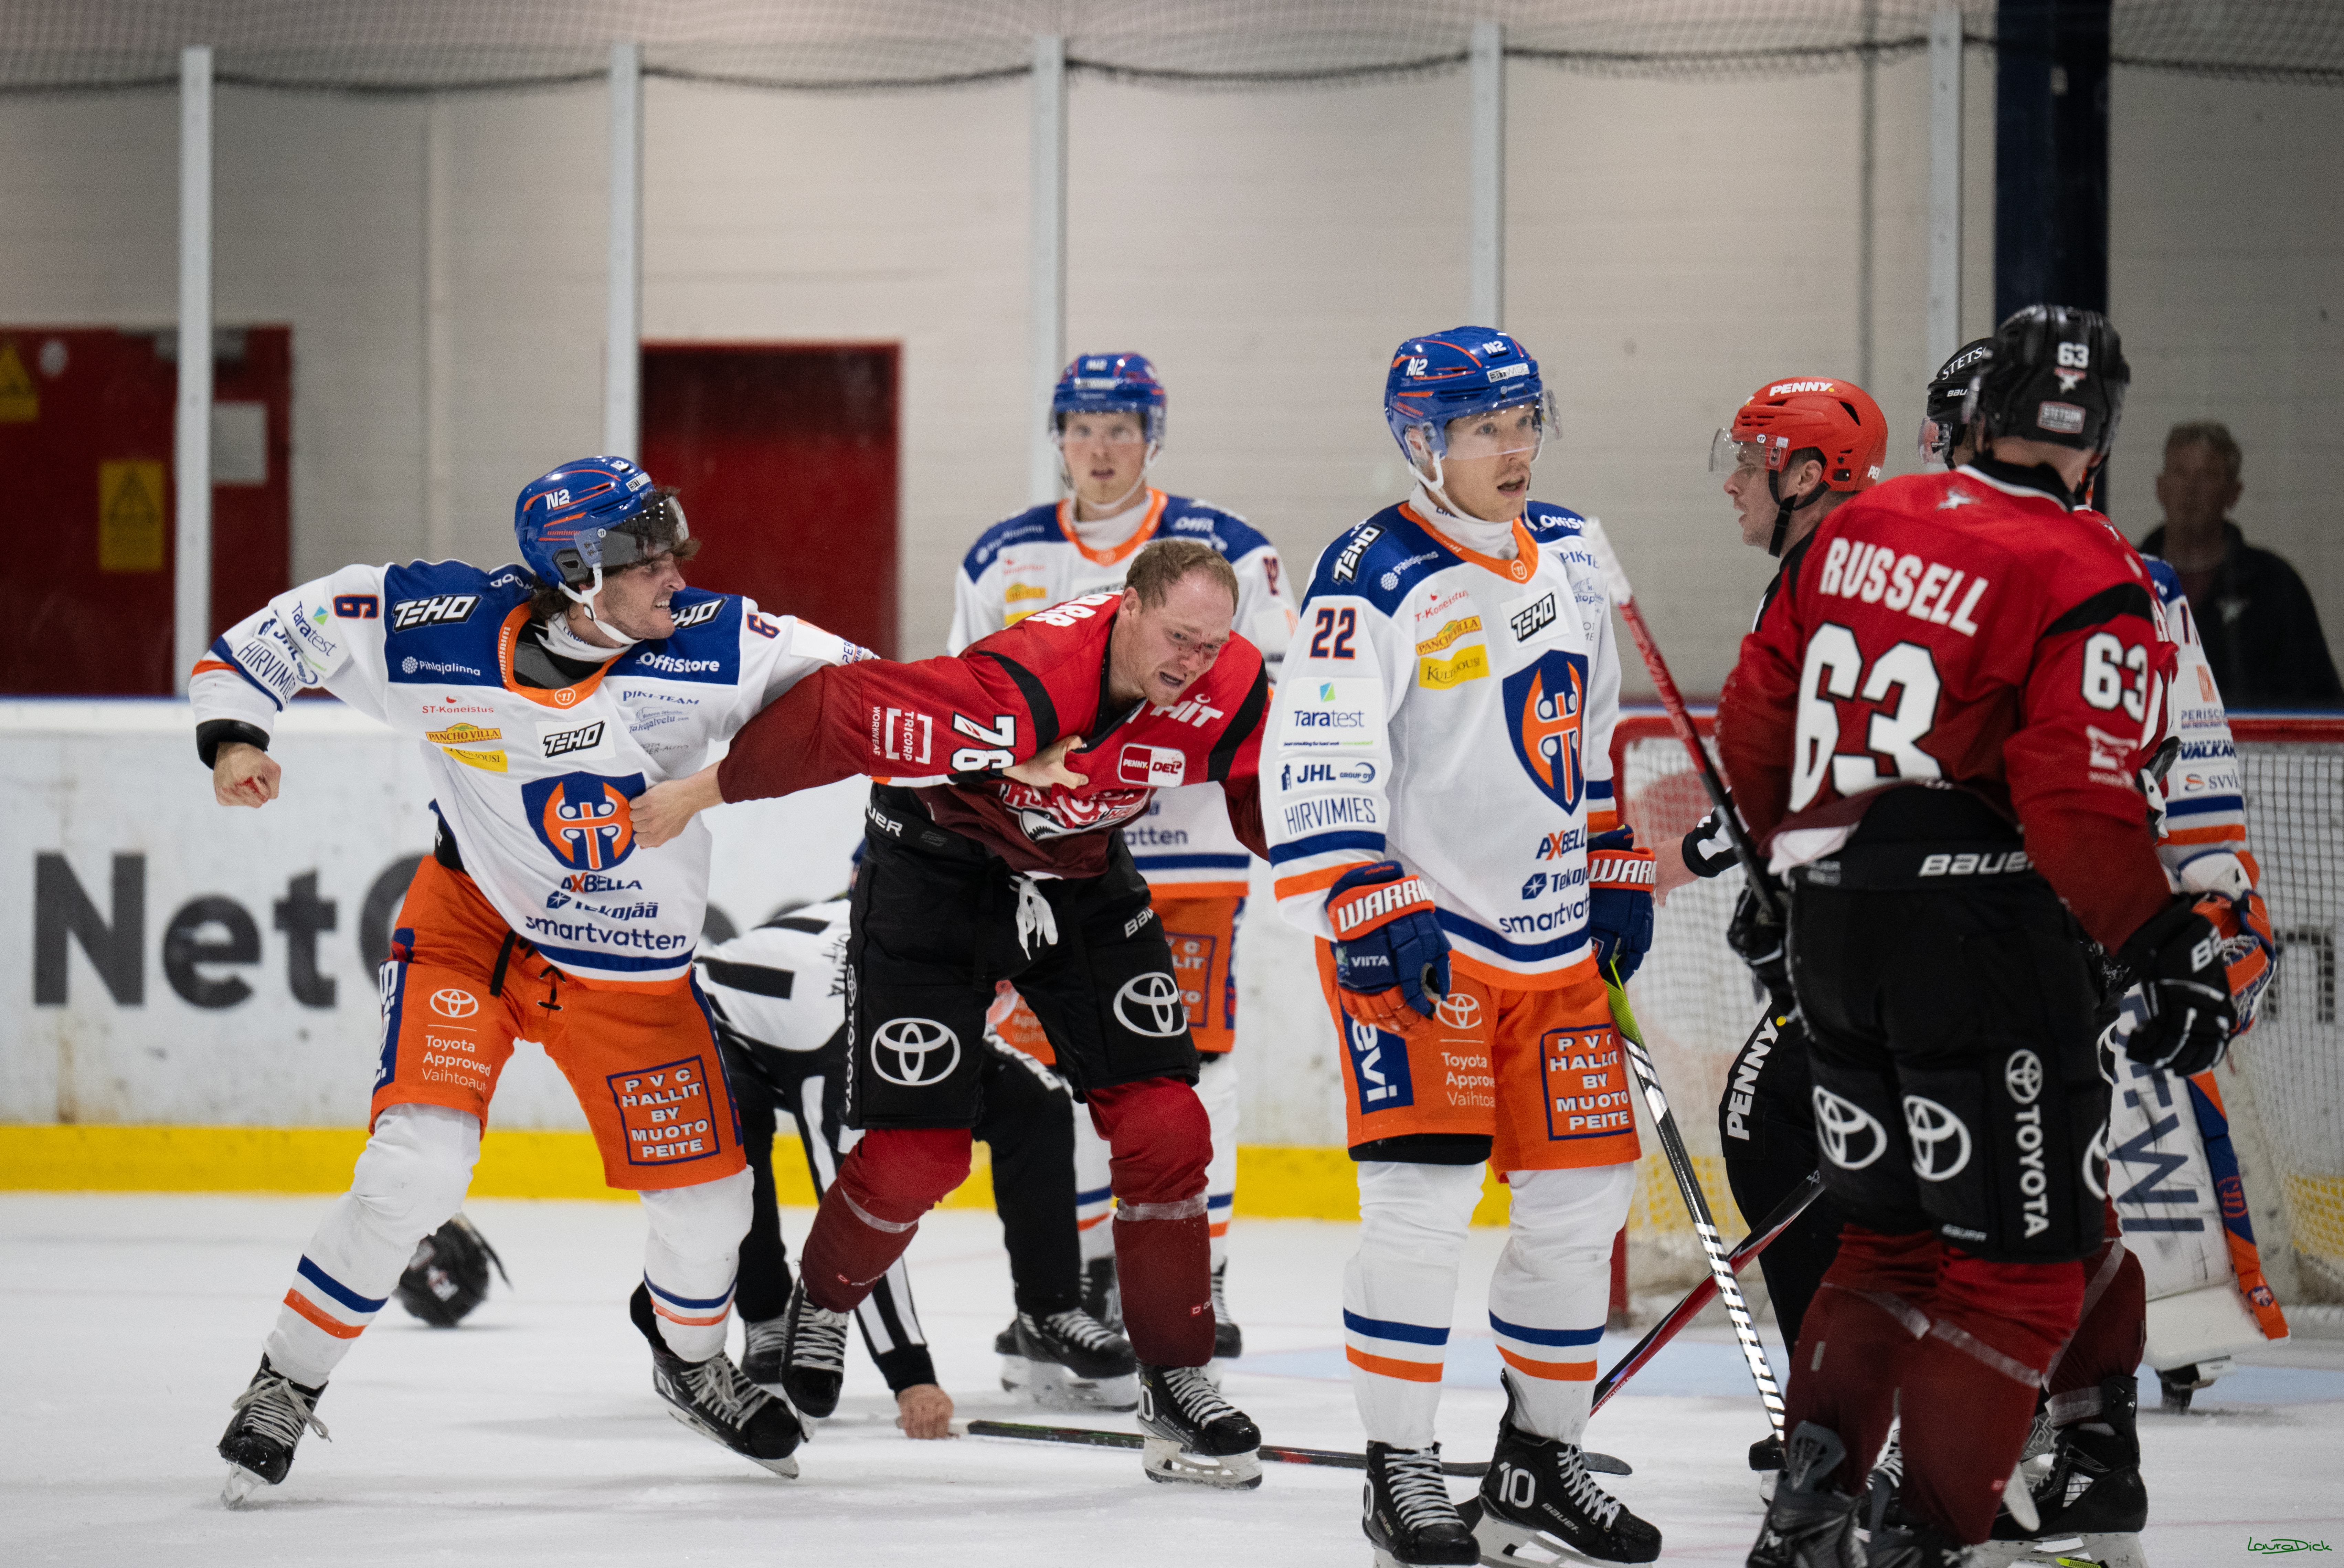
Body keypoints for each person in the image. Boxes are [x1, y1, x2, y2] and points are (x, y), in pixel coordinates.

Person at [198, 457, 858, 1501]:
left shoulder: (724, 641)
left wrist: (1017, 738)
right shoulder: (432, 625)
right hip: (476, 935)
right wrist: (239, 739)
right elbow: (270, 639)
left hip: (633, 975)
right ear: (576, 571)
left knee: (711, 1207)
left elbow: (878, 695)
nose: (676, 575)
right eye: (648, 560)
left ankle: (691, 1366)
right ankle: (286, 1379)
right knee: (416, 1164)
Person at [1718, 306, 2247, 1567]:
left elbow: (1753, 714)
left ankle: (1811, 1511)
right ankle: (1924, 1539)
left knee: (1886, 1240)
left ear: (1971, 413)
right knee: (2020, 1267)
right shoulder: (2089, 565)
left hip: (1838, 930)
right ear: (2098, 433)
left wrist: (1783, 863)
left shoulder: (1855, 525)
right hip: (1986, 939)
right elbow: (2075, 793)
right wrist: (2156, 935)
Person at [632, 536, 1272, 1488]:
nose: (1192, 664)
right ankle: (826, 1294)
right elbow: (839, 712)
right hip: (934, 874)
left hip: (1081, 877)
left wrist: (1357, 891)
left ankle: (1177, 1380)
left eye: (1209, 646)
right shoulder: (1014, 687)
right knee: (916, 1153)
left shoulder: (1231, 678)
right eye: (1177, 638)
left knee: (1166, 1122)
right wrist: (698, 792)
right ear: (1124, 610)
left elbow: (1266, 791)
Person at [1266, 326, 1661, 1568]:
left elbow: (1591, 726)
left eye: (1524, 422)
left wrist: (1612, 856)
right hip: (1422, 939)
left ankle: (1540, 1466)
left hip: (1550, 947)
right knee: (1425, 1204)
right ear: (1421, 441)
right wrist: (1366, 893)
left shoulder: (1580, 551)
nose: (1513, 450)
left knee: (1582, 1204)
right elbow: (1320, 752)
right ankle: (1400, 1475)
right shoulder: (1369, 569)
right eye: (1484, 428)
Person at [1922, 343, 2283, 1568]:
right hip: (1946, 934)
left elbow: (2190, 767)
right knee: (1982, 1208)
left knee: (2054, 1209)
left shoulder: (2135, 587)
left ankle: (2077, 1442)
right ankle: (2025, 1435)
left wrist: (2210, 913)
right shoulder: (1908, 556)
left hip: (2064, 935)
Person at [947, 351, 1297, 1370]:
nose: (1100, 450)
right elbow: (964, 699)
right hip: (1042, 853)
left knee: (1193, 1064)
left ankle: (1202, 1269)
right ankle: (1082, 1280)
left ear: (1153, 437)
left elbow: (1271, 681)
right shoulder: (998, 554)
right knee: (1049, 1071)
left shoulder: (1227, 546)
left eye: (1121, 429)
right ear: (1056, 436)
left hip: (1186, 848)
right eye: (1081, 428)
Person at [696, 875, 1137, 1430]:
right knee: (740, 1149)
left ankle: (1048, 1309)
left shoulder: (947, 957)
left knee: (1033, 1100)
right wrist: (911, 1375)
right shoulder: (842, 1043)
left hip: (855, 988)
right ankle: (765, 1317)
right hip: (719, 1025)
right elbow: (855, 1212)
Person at [1675, 377, 1890, 1381]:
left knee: (1767, 1121)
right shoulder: (1823, 569)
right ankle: (1849, 1395)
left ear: (1805, 475)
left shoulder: (1846, 577)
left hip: (1883, 928)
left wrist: (1684, 858)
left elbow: (1830, 770)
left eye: (1749, 464)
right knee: (1793, 1133)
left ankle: (1842, 1399)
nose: (1731, 485)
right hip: (1851, 921)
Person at [2137, 421, 2344, 709]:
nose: (2191, 489)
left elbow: (2323, 704)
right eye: (2179, 473)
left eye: (2208, 475)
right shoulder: (2126, 577)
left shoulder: (2274, 585)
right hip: (2146, 750)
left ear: (2233, 493)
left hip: (2251, 752)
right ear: (2161, 488)